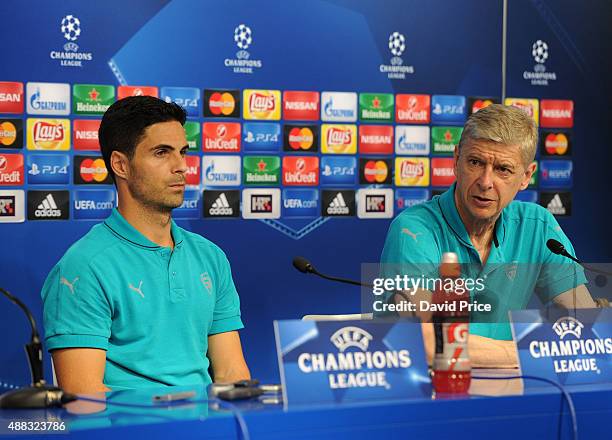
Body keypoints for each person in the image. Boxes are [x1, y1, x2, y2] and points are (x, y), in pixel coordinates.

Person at [41, 96, 250, 393]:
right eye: (162, 153)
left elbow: (231, 372)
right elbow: (84, 397)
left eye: (183, 152)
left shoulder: (210, 256)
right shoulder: (84, 266)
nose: (181, 167)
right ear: (120, 165)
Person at [379, 104, 596, 368]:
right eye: (475, 162)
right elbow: (424, 340)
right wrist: (529, 354)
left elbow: (587, 324)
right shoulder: (413, 230)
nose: (485, 181)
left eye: (503, 169)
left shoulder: (538, 226)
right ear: (456, 159)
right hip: (434, 392)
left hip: (516, 387)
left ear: (526, 176)